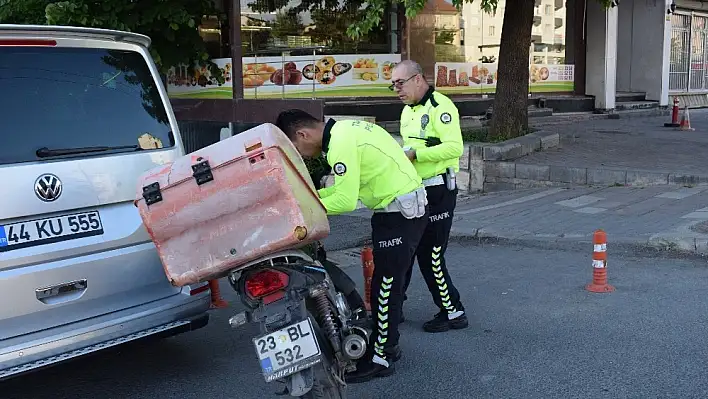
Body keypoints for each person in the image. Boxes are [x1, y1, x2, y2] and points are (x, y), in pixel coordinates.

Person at [275, 110, 428, 383]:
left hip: (398, 216)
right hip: (401, 211)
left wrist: (302, 209)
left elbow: (345, 200)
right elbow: (347, 190)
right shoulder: (347, 130)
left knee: (385, 288)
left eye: (297, 148)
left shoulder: (340, 145)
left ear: (302, 134)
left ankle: (381, 358)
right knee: (388, 286)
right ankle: (388, 346)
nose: (302, 155)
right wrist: (307, 197)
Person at [390, 60, 469, 333]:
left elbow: (454, 147)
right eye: (393, 85)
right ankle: (394, 309)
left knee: (430, 254)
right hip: (415, 189)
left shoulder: (441, 107)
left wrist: (416, 155)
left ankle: (453, 311)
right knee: (405, 251)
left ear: (418, 79)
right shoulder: (407, 111)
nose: (396, 89)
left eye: (400, 83)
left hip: (438, 191)